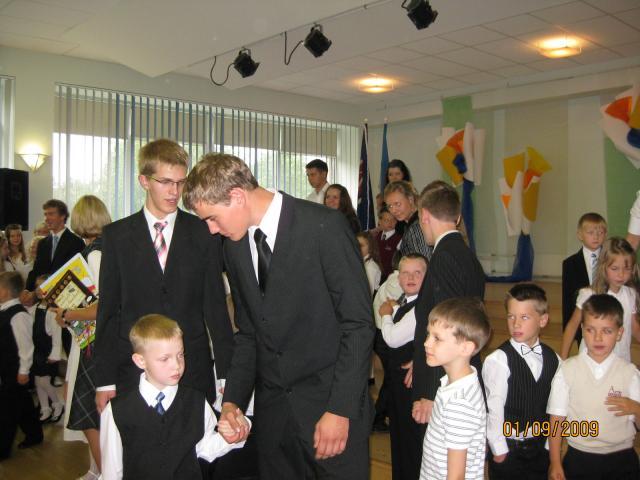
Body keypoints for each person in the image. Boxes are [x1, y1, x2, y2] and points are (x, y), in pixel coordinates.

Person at [183, 153, 375, 480]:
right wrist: (232, 402)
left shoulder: (323, 226)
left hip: (330, 409)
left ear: (237, 196)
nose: (212, 230)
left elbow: (357, 325)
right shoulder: (235, 246)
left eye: (212, 218)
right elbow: (249, 333)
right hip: (275, 421)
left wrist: (340, 409)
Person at [94, 139, 234, 414]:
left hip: (191, 367)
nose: (175, 192)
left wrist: (226, 375)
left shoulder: (203, 232)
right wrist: (104, 379)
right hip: (135, 368)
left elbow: (216, 308)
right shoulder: (116, 236)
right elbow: (108, 312)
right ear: (144, 181)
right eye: (166, 182)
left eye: (181, 182)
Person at [100, 314, 245, 480]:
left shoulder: (196, 401)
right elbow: (112, 471)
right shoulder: (116, 411)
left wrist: (236, 433)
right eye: (164, 359)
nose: (176, 365)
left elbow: (206, 448)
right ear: (140, 361)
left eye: (180, 355)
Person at [411, 181, 486, 438]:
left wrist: (431, 393)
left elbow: (448, 328)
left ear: (424, 216)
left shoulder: (445, 257)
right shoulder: (466, 254)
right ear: (458, 217)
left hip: (445, 382)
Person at [548, 294, 640, 480]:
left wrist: (637, 408)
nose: (598, 338)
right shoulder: (567, 370)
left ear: (619, 333)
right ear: (582, 330)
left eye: (607, 331)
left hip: (622, 458)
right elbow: (556, 420)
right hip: (579, 457)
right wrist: (555, 462)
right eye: (591, 330)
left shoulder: (630, 373)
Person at [53, 195, 111, 480]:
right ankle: (96, 470)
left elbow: (103, 306)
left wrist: (67, 313)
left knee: (89, 415)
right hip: (95, 340)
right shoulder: (108, 248)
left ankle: (106, 474)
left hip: (94, 342)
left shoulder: (96, 254)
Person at [483, 283, 560, 480]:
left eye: (524, 317)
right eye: (511, 316)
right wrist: (499, 449)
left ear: (543, 320)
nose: (516, 324)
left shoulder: (554, 359)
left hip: (540, 448)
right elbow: (494, 408)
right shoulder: (499, 360)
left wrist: (549, 446)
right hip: (510, 449)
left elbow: (556, 407)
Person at [420, 297, 490, 480]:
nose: (426, 343)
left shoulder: (460, 402)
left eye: (437, 338)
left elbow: (456, 475)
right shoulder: (455, 384)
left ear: (465, 348)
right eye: (428, 334)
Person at [378, 254, 427, 480]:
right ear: (398, 278)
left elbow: (393, 338)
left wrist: (386, 315)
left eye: (417, 273)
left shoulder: (420, 307)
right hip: (398, 383)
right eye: (405, 273)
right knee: (398, 438)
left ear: (427, 277)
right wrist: (396, 308)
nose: (411, 278)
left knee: (408, 442)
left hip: (409, 386)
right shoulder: (406, 302)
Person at [560, 237, 640, 361]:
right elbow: (572, 326)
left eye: (627, 269)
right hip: (590, 361)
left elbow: (635, 327)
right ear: (603, 266)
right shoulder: (589, 295)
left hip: (619, 361)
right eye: (615, 268)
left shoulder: (630, 294)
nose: (621, 274)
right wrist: (563, 359)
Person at [0, 271, 43, 460]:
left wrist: (24, 370)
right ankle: (34, 434)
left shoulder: (18, 315)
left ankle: (3, 448)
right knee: (21, 402)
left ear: (6, 291)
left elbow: (26, 346)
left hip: (15, 368)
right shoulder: (4, 310)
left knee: (8, 408)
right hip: (6, 367)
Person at [24, 199, 86, 299]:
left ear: (63, 216)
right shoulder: (42, 243)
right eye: (45, 214)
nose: (46, 219)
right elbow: (36, 270)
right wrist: (27, 290)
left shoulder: (76, 242)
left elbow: (75, 273)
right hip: (42, 298)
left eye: (51, 214)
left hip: (65, 297)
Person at [561, 213, 607, 347]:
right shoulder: (570, 263)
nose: (596, 236)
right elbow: (567, 298)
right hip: (582, 318)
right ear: (580, 235)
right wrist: (568, 328)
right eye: (591, 233)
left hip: (606, 314)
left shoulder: (609, 260)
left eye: (600, 233)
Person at [29, 274, 63, 423]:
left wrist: (55, 354)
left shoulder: (52, 310)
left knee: (45, 381)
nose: (38, 289)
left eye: (42, 286)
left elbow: (56, 334)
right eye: (37, 286)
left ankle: (57, 404)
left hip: (48, 351)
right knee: (38, 381)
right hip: (37, 351)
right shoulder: (36, 308)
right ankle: (45, 408)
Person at [384, 181, 431, 258]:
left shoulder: (416, 227)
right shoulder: (412, 225)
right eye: (390, 206)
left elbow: (423, 261)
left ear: (410, 199)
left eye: (397, 204)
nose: (394, 210)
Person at [374, 207, 401, 282]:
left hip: (390, 278)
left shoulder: (399, 240)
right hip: (377, 275)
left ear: (396, 221)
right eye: (386, 220)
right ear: (380, 221)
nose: (390, 223)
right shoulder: (376, 237)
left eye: (393, 220)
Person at [356, 231, 381, 296]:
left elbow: (368, 293)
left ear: (370, 247)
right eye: (356, 245)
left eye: (361, 245)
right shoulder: (361, 262)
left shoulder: (370, 267)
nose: (357, 248)